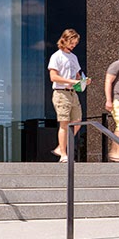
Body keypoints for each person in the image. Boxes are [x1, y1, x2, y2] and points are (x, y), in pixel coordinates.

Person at [48, 29, 84, 162]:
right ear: (64, 40)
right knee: (64, 123)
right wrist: (71, 81)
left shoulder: (73, 57)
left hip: (73, 93)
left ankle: (60, 147)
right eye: (71, 42)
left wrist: (83, 81)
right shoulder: (56, 56)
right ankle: (63, 154)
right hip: (61, 93)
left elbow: (78, 76)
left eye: (75, 43)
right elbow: (53, 77)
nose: (73, 45)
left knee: (77, 122)